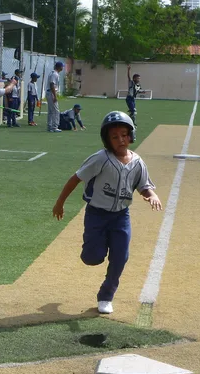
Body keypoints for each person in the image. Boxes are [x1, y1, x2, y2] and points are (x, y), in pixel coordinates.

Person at [52, 111, 162, 315]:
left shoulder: (137, 162)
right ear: (107, 140)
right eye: (114, 136)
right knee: (92, 258)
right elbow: (75, 178)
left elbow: (143, 185)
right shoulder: (100, 159)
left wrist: (152, 195)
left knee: (121, 256)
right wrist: (60, 203)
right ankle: (94, 247)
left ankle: (106, 296)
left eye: (124, 134)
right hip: (96, 215)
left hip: (121, 217)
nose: (120, 139)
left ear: (131, 135)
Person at [46, 61, 64, 132]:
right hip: (51, 93)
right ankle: (54, 127)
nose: (63, 68)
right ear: (59, 67)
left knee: (51, 111)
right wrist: (55, 96)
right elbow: (52, 85)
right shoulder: (55, 74)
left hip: (49, 93)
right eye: (62, 66)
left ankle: (49, 126)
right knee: (56, 111)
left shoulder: (52, 73)